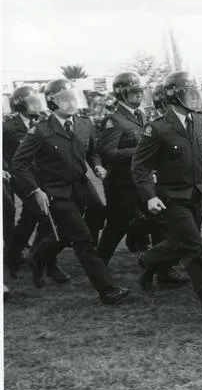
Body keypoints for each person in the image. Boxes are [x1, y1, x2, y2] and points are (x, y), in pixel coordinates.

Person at [11, 79, 130, 303]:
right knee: (83, 239)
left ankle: (41, 255)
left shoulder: (85, 124)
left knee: (90, 221)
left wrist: (96, 165)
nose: (71, 103)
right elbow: (19, 163)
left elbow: (92, 151)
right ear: (52, 103)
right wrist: (36, 189)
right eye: (64, 100)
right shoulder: (41, 131)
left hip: (82, 186)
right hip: (57, 191)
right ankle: (107, 290)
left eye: (72, 97)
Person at [131, 71, 202, 323]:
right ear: (173, 97)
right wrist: (150, 197)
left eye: (195, 93)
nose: (195, 99)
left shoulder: (200, 121)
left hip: (197, 194)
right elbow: (139, 166)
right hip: (173, 198)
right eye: (188, 94)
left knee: (180, 244)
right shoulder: (157, 128)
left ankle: (148, 261)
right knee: (195, 247)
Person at [96, 72, 188, 287]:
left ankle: (163, 270)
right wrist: (140, 152)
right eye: (133, 92)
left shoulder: (143, 115)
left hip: (142, 180)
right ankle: (97, 268)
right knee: (116, 226)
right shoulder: (114, 119)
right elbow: (107, 151)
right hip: (122, 184)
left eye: (140, 91)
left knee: (159, 221)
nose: (138, 96)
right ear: (121, 94)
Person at [3, 86, 70, 280]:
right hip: (22, 178)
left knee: (28, 220)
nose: (36, 105)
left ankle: (14, 255)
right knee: (45, 216)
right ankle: (48, 263)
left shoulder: (44, 122)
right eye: (31, 102)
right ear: (19, 104)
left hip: (43, 177)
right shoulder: (8, 127)